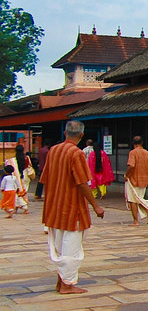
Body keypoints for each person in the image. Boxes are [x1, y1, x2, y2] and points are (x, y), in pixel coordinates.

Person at [40, 120, 105, 294]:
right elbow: (82, 182)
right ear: (82, 135)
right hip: (71, 208)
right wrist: (96, 205)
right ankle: (67, 285)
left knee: (60, 247)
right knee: (71, 249)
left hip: (55, 206)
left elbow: (45, 178)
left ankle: (61, 282)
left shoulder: (54, 150)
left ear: (65, 133)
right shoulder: (76, 153)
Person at [124, 136, 148, 225]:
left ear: (133, 143)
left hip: (134, 179)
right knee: (139, 198)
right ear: (142, 142)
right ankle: (147, 212)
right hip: (144, 179)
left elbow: (131, 165)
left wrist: (126, 175)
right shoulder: (147, 153)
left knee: (133, 200)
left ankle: (136, 220)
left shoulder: (133, 153)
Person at [5, 144, 33, 213]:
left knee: (18, 192)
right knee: (24, 192)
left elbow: (8, 166)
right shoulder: (27, 158)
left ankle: (23, 206)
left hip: (17, 177)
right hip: (26, 177)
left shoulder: (13, 160)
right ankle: (21, 206)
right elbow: (29, 166)